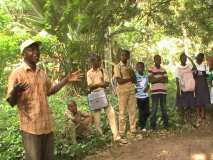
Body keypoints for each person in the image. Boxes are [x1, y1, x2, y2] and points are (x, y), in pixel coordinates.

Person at [6, 39, 81, 160]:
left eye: (37, 49)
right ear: (23, 54)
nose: (36, 52)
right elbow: (11, 102)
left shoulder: (42, 73)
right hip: (31, 129)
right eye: (31, 50)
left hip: (47, 127)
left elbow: (50, 91)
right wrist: (15, 91)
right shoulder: (17, 74)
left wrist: (66, 79)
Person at [87, 54, 127, 144]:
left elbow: (107, 84)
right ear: (93, 62)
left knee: (112, 114)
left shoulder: (102, 70)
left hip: (102, 94)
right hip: (94, 96)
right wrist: (100, 84)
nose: (100, 62)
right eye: (98, 61)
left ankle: (116, 137)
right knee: (97, 120)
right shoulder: (89, 73)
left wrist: (96, 85)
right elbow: (90, 86)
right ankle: (101, 140)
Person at [114, 49, 137, 137]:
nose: (123, 57)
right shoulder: (117, 66)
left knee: (133, 110)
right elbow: (119, 81)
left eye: (125, 55)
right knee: (122, 111)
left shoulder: (130, 67)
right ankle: (122, 131)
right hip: (122, 91)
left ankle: (133, 128)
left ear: (128, 57)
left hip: (131, 90)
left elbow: (135, 80)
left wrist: (132, 74)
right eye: (122, 55)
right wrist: (130, 78)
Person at [148, 55, 169, 130]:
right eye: (156, 59)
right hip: (154, 92)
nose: (158, 60)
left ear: (161, 60)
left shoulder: (163, 69)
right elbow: (150, 80)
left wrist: (155, 78)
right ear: (154, 60)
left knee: (164, 108)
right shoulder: (151, 69)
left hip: (163, 92)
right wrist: (161, 78)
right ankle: (153, 126)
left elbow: (166, 80)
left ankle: (166, 125)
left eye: (159, 59)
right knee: (154, 109)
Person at [175, 53, 196, 125]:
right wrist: (178, 89)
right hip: (183, 89)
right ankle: (182, 121)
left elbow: (195, 69)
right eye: (183, 58)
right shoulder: (178, 68)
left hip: (190, 88)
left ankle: (189, 121)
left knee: (189, 105)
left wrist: (191, 60)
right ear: (180, 59)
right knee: (182, 105)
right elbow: (177, 79)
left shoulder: (189, 66)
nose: (184, 59)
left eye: (185, 58)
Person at [194, 53, 210, 126]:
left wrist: (201, 73)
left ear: (202, 59)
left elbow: (207, 75)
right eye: (197, 58)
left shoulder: (205, 65)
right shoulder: (194, 65)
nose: (198, 59)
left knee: (203, 99)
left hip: (203, 84)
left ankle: (203, 115)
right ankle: (198, 116)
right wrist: (195, 73)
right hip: (196, 84)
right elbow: (193, 75)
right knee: (197, 100)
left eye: (200, 58)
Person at [135, 62, 150, 131]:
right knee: (141, 112)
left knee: (147, 112)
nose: (140, 68)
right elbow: (133, 85)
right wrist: (135, 89)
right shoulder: (135, 75)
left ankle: (139, 123)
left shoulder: (146, 75)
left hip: (146, 96)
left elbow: (148, 84)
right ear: (136, 68)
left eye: (142, 67)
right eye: (139, 67)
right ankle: (142, 126)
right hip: (139, 97)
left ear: (144, 68)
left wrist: (147, 87)